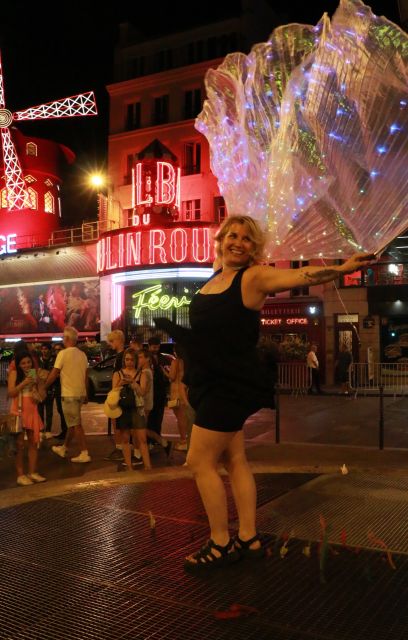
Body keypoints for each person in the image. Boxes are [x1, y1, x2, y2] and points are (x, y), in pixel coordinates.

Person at [155, 214, 374, 573]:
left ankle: (220, 543)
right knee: (235, 459)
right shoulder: (217, 275)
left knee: (199, 462)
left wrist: (343, 268)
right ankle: (248, 537)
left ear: (255, 248)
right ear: (221, 239)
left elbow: (301, 275)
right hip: (216, 380)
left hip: (229, 385)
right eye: (232, 236)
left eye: (246, 239)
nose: (238, 242)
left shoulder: (253, 277)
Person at [45, 326, 91, 463]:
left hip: (69, 395)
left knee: (76, 425)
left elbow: (54, 373)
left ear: (67, 338)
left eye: (63, 337)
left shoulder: (63, 354)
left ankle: (84, 453)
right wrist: (86, 393)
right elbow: (86, 376)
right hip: (79, 393)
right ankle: (64, 447)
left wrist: (44, 386)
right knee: (72, 423)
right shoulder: (82, 355)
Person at [7, 351, 46, 485]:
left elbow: (42, 393)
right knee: (19, 445)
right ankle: (20, 475)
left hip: (32, 410)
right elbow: (11, 392)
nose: (26, 365)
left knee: (33, 442)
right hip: (18, 411)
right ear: (18, 364)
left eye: (28, 362)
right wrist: (24, 383)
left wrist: (39, 384)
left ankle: (33, 472)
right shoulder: (14, 373)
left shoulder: (34, 373)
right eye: (23, 363)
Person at [111, 348, 147, 470]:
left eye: (132, 359)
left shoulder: (141, 374)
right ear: (123, 360)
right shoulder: (118, 374)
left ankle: (148, 467)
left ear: (135, 360)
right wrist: (120, 383)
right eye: (127, 359)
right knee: (125, 439)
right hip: (123, 408)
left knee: (142, 439)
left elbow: (142, 392)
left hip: (137, 408)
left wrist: (133, 383)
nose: (129, 362)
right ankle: (129, 468)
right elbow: (113, 392)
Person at [52, 342, 68, 440]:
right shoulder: (54, 360)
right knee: (60, 410)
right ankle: (64, 431)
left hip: (65, 388)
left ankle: (67, 433)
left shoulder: (66, 360)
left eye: (59, 349)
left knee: (64, 411)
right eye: (56, 350)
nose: (57, 352)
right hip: (57, 388)